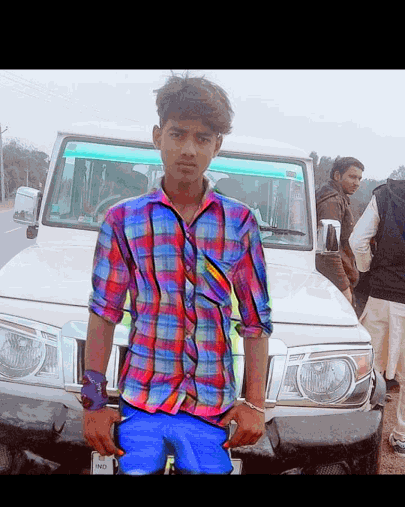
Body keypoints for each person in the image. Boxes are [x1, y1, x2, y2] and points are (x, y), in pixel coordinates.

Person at [81, 73, 272, 474]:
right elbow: (104, 314)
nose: (188, 149)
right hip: (141, 402)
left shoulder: (239, 223)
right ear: (158, 136)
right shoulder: (123, 220)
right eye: (177, 134)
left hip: (211, 408)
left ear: (217, 145)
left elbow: (256, 321)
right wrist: (94, 403)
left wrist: (255, 404)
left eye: (202, 138)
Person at [349, 179, 405, 456]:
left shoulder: (387, 194)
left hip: (382, 295)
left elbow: (357, 240)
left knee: (365, 368)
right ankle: (403, 438)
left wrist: (368, 270)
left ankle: (356, 434)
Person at [315, 157, 364, 306]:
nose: (357, 183)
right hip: (332, 284)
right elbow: (329, 252)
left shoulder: (337, 198)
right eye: (352, 177)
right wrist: (344, 287)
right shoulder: (332, 202)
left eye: (359, 179)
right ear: (337, 176)